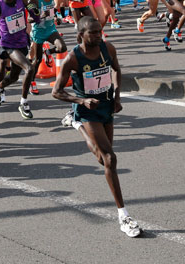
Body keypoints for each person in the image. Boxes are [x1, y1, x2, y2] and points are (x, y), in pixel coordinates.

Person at [52, 17, 141, 238]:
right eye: (93, 33)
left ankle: (75, 124)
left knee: (102, 159)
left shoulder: (107, 48)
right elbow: (56, 91)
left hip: (106, 106)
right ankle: (124, 216)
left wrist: (117, 98)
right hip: (87, 109)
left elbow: (117, 70)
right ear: (81, 34)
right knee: (110, 159)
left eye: (99, 31)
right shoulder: (72, 58)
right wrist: (81, 102)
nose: (98, 35)